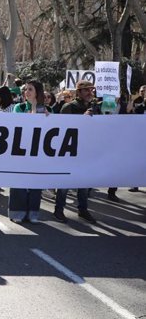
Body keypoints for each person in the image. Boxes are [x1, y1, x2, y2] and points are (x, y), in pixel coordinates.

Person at [54, 80, 99, 223]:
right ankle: (58, 210)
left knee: (84, 183)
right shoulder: (69, 107)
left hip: (86, 150)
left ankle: (83, 209)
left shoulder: (95, 107)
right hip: (69, 150)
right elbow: (62, 127)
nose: (90, 93)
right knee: (64, 184)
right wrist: (82, 119)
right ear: (78, 92)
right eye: (86, 90)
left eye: (91, 90)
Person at [8, 80, 49, 223]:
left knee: (35, 182)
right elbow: (19, 124)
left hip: (37, 152)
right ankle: (17, 213)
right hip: (20, 150)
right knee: (19, 181)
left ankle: (33, 213)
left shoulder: (46, 109)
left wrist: (48, 117)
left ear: (37, 92)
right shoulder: (18, 107)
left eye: (30, 89)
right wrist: (32, 110)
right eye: (25, 89)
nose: (27, 92)